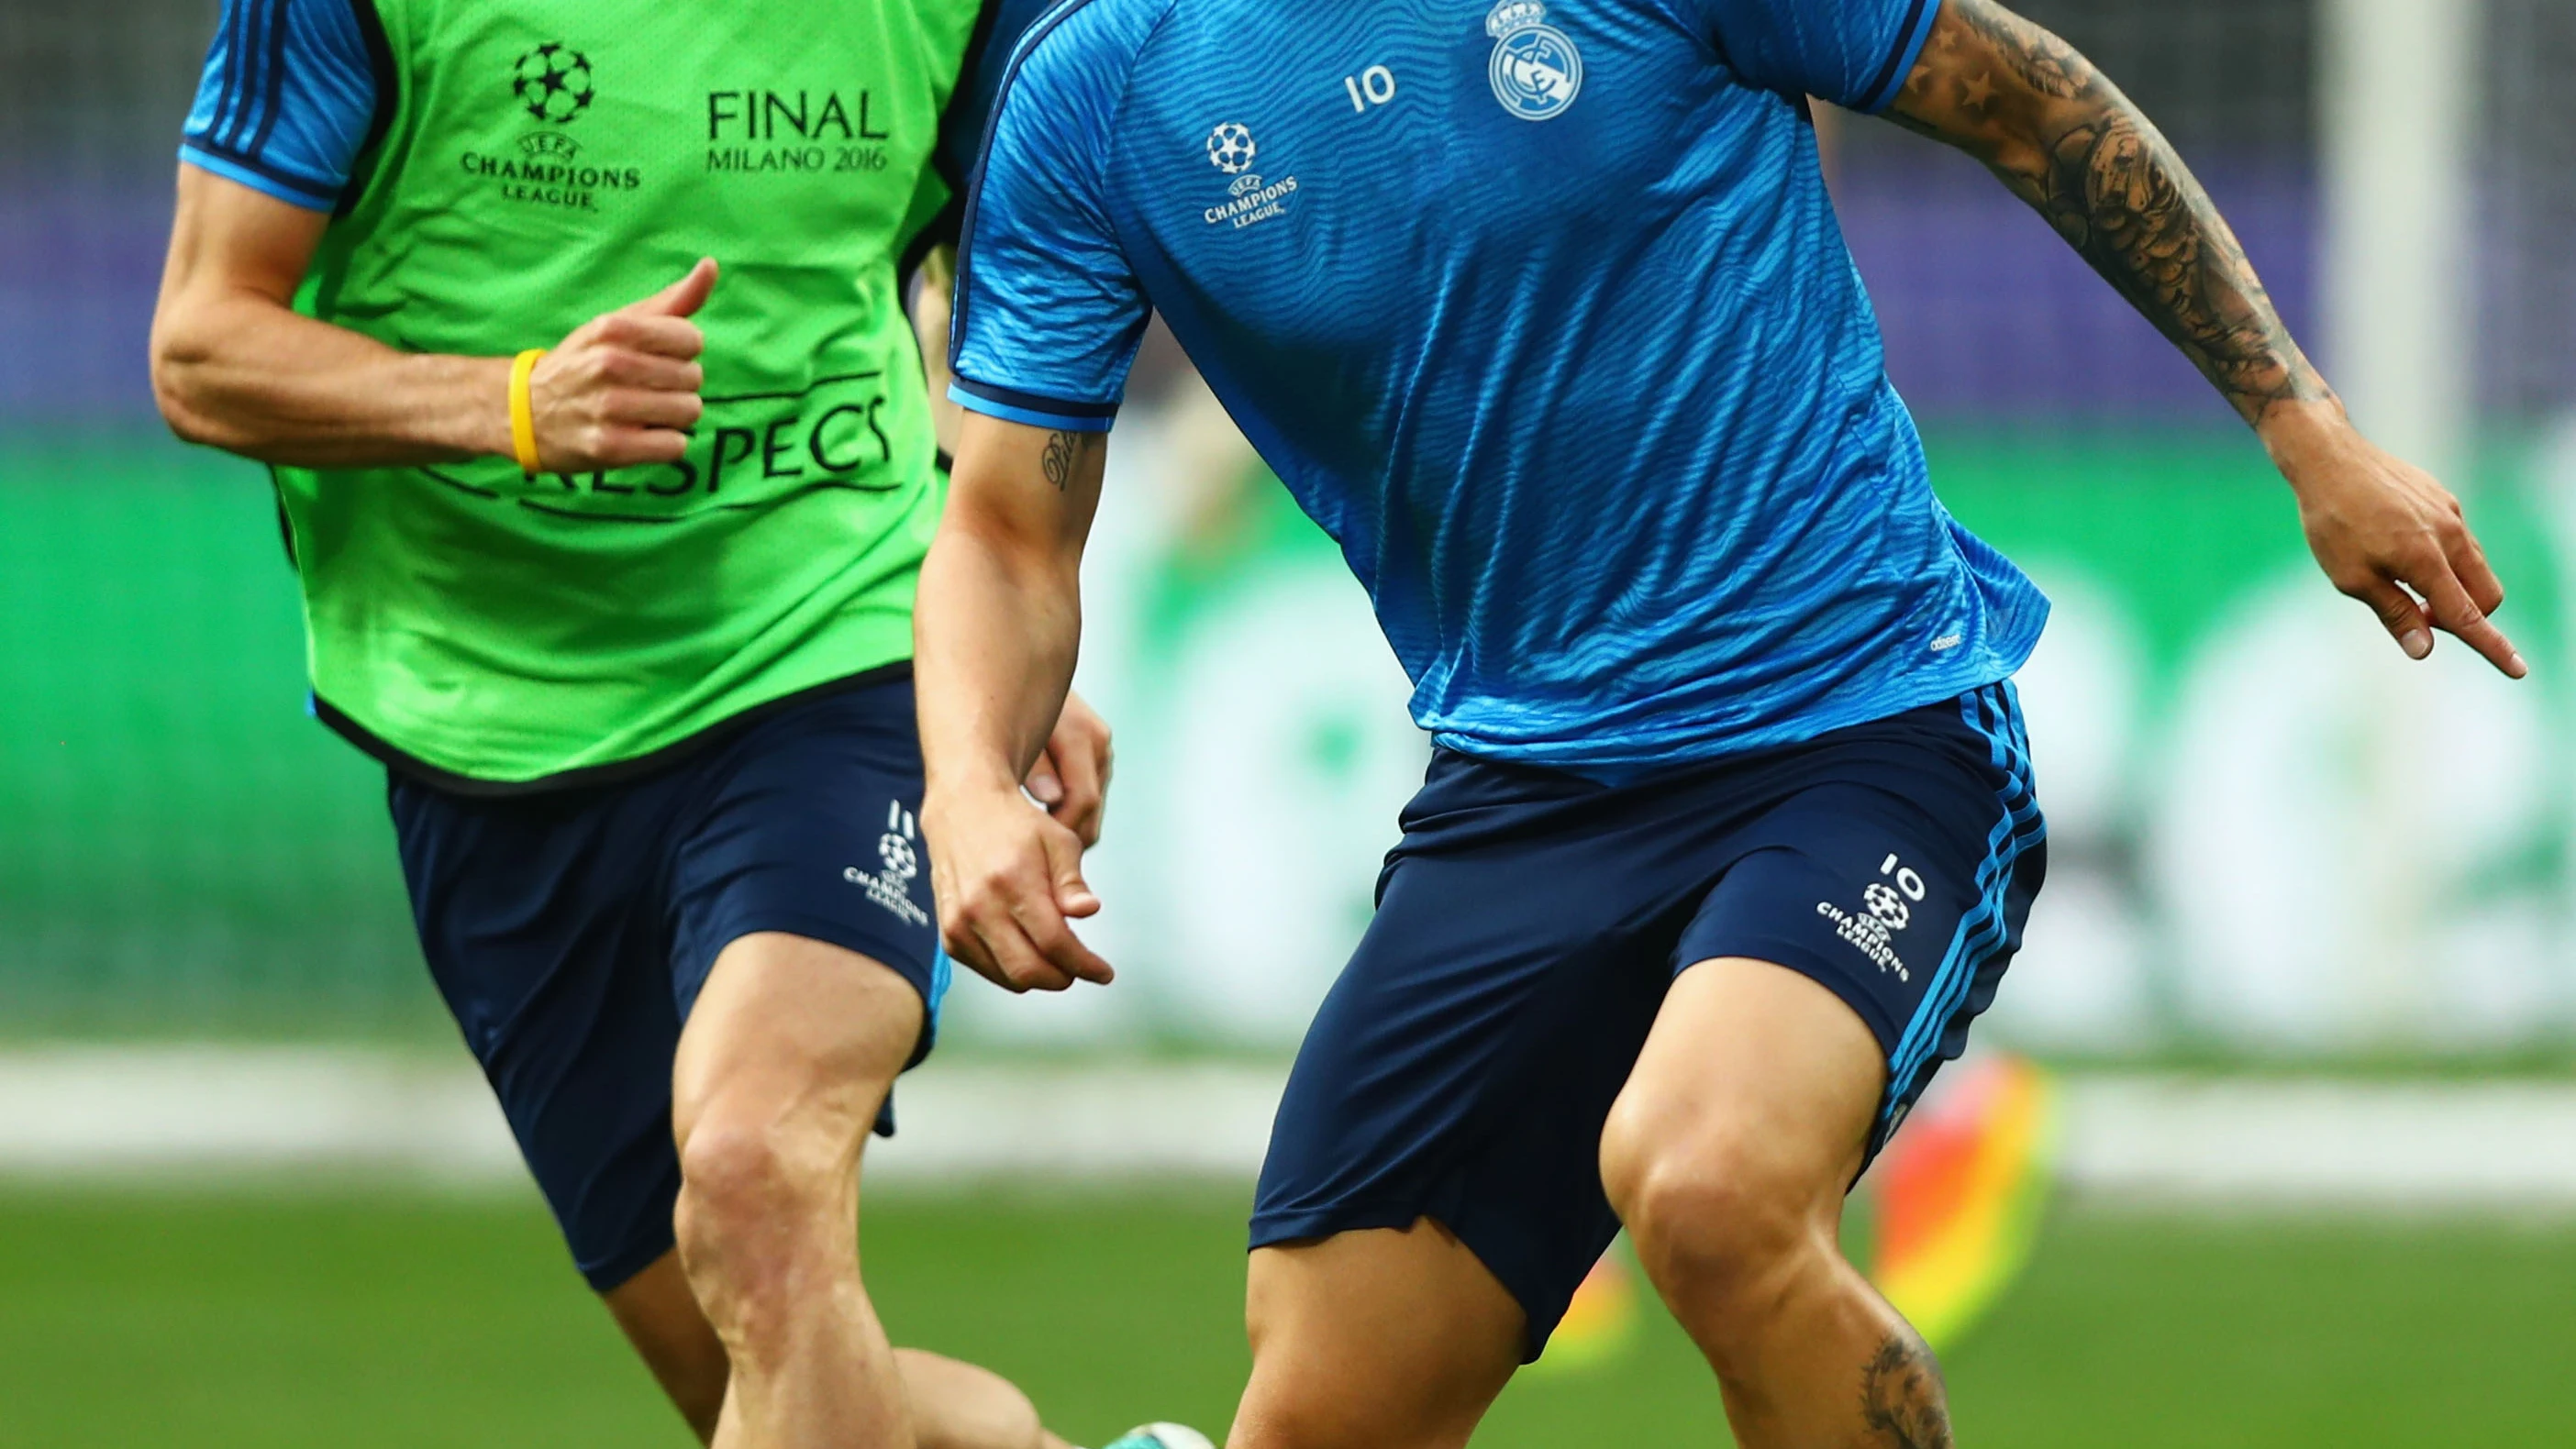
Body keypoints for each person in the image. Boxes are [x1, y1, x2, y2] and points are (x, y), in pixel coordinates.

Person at [914, 0, 2526, 1445]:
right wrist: (970, 779)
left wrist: (2307, 430)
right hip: (1521, 798)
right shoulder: (1095, 93)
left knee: (1708, 1189)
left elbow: (2025, 96)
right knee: (1324, 1410)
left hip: (1859, 727)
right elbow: (1006, 530)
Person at [148, 3, 1201, 1446]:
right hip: (485, 730)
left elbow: (978, 276)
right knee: (759, 1359)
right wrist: (513, 403)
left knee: (759, 1173)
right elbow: (203, 348)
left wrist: (985, 655)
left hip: (828, 651)